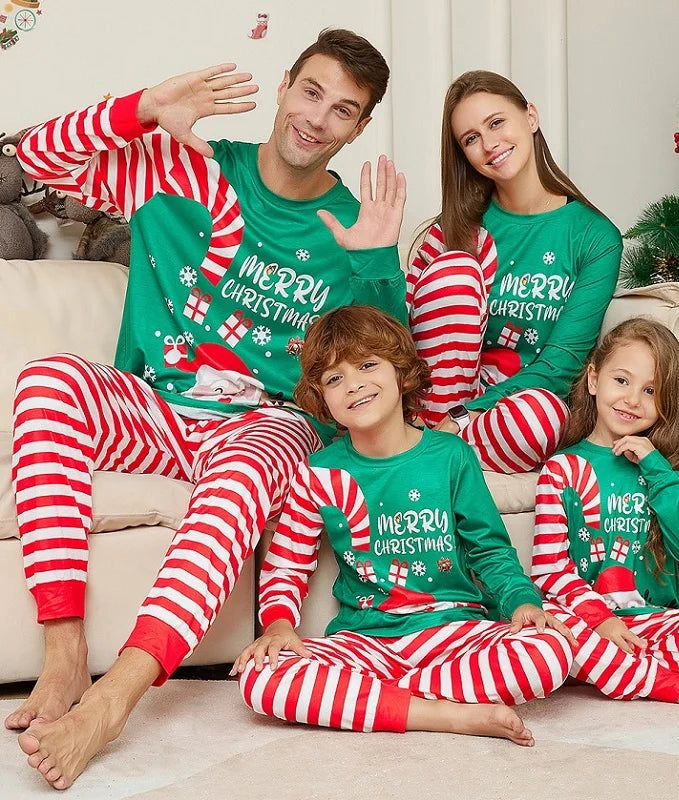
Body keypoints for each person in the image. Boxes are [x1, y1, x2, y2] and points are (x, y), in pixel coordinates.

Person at [9, 29, 407, 790]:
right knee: (49, 380)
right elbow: (38, 161)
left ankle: (116, 697)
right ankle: (62, 661)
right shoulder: (179, 165)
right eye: (312, 92)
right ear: (287, 84)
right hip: (158, 407)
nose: (318, 118)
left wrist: (376, 262)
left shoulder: (352, 228)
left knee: (252, 464)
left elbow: (391, 374)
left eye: (343, 111)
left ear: (359, 129)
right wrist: (143, 108)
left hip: (264, 425)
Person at [232, 305, 576, 743]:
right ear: (322, 397)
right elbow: (286, 565)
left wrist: (522, 602)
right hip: (366, 640)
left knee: (550, 651)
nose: (353, 383)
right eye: (334, 378)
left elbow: (490, 550)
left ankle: (376, 702)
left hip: (454, 631)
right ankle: (447, 715)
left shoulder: (451, 456)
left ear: (400, 372)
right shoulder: (317, 473)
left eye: (367, 365)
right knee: (262, 681)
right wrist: (279, 624)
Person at [406, 70, 623, 474]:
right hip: (439, 399)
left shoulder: (595, 236)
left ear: (531, 117)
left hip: (515, 410)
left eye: (496, 123)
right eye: (470, 139)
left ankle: (429, 451)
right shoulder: (452, 231)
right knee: (453, 270)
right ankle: (426, 441)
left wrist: (463, 418)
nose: (489, 145)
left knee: (541, 418)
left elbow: (560, 365)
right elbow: (402, 332)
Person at [531, 318, 679, 709]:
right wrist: (601, 620)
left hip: (649, 621)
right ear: (594, 380)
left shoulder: (664, 470)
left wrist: (656, 467)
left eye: (650, 390)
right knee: (546, 633)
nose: (632, 399)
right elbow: (549, 570)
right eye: (622, 381)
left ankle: (611, 671)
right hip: (587, 618)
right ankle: (672, 686)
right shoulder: (562, 469)